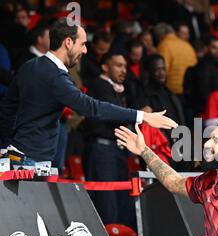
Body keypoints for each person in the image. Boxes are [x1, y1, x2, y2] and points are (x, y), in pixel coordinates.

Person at [0, 18, 177, 165]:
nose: (85, 50)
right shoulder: (56, 78)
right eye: (83, 44)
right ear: (68, 43)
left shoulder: (28, 66)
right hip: (32, 162)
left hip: (16, 156)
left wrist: (5, 148)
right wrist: (143, 116)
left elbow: (7, 110)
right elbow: (93, 108)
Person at [81, 51, 139, 228]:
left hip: (117, 152)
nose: (124, 70)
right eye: (118, 65)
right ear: (105, 67)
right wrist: (137, 115)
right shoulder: (99, 85)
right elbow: (114, 114)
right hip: (102, 151)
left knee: (122, 203)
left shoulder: (120, 89)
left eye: (125, 67)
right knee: (107, 204)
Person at [154, 22, 197, 95]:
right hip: (190, 89)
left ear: (159, 36)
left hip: (172, 90)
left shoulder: (163, 45)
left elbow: (162, 69)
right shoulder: (187, 45)